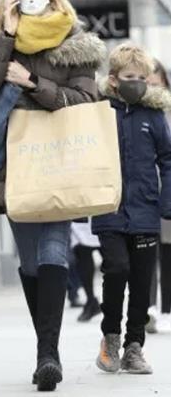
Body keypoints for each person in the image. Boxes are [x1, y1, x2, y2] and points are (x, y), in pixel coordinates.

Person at [0, 0, 105, 391]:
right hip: (13, 162)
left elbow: (86, 101)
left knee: (53, 251)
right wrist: (7, 38)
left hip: (60, 158)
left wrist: (32, 83)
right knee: (30, 261)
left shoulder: (74, 37)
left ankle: (48, 354)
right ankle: (47, 347)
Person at [93, 44, 171, 376]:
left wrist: (167, 200)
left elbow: (168, 159)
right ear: (113, 79)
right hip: (108, 209)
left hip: (145, 211)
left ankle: (134, 347)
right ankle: (110, 337)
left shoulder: (154, 116)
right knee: (116, 269)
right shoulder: (99, 111)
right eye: (129, 77)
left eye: (142, 77)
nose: (137, 83)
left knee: (141, 280)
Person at [146, 59, 171, 333]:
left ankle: (167, 310)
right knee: (146, 248)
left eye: (157, 82)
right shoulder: (137, 111)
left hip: (168, 187)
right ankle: (150, 307)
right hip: (146, 189)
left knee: (168, 251)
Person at [71, 218, 101, 322]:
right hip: (80, 218)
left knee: (116, 262)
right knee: (82, 253)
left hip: (104, 216)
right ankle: (91, 300)